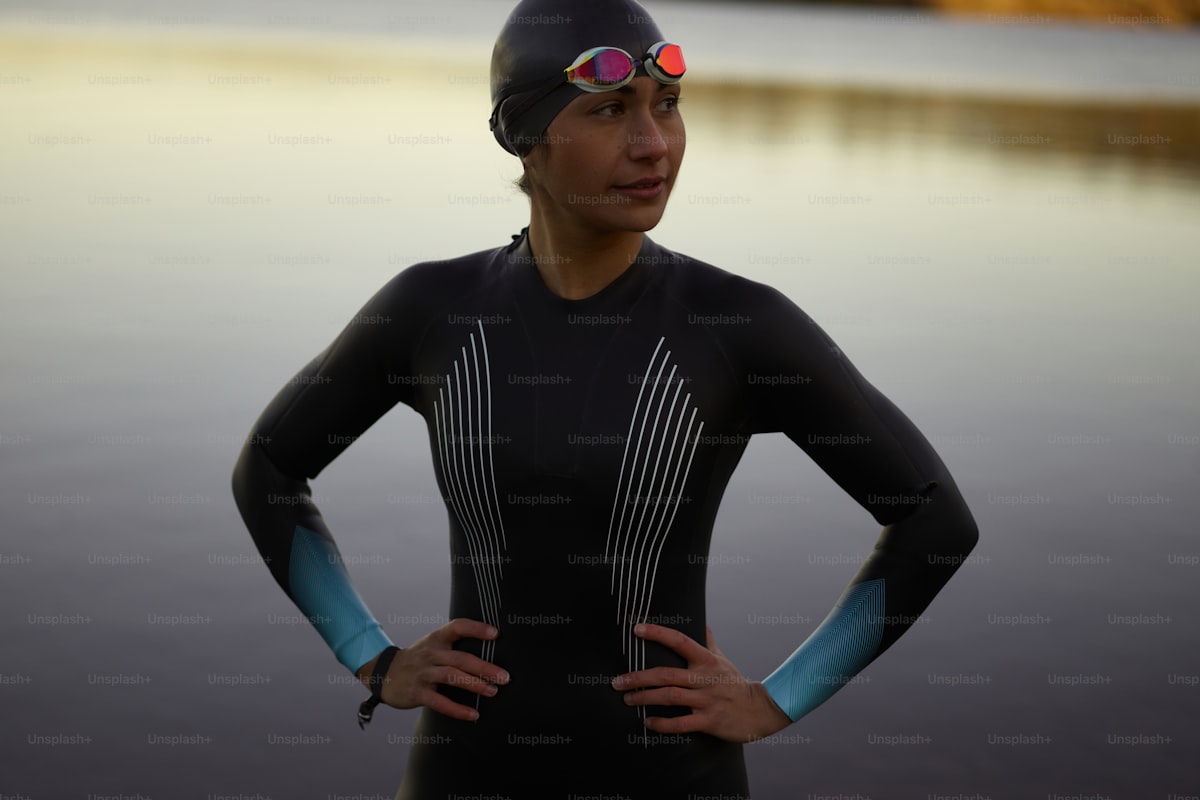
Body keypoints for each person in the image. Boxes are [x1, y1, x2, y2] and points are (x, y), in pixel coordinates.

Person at [230, 0, 980, 797]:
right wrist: (372, 657)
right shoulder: (430, 311)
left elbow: (933, 521)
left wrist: (777, 699)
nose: (653, 144)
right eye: (610, 110)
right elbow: (269, 470)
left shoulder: (735, 325)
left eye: (668, 105)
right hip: (464, 772)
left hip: (669, 772)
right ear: (525, 135)